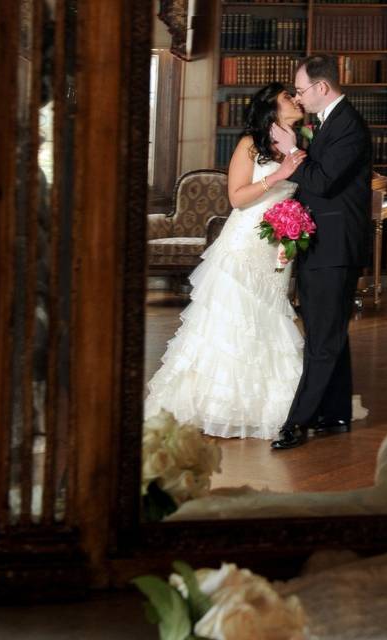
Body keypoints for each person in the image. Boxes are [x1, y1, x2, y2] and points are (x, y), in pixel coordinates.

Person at [144, 83, 311, 439]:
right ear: (271, 106)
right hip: (243, 245)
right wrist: (279, 176)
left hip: (277, 246)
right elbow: (236, 198)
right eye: (287, 97)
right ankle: (217, 405)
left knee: (269, 316)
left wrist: (294, 225)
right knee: (232, 322)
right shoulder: (251, 144)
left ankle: (270, 405)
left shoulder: (300, 142)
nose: (296, 100)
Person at [271, 55, 373, 450]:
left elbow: (325, 183)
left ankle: (297, 422)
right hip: (322, 243)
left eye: (300, 91)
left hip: (336, 246)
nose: (298, 98)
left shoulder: (349, 126)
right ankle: (335, 412)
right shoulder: (331, 121)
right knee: (326, 331)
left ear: (322, 88)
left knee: (322, 339)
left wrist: (293, 151)